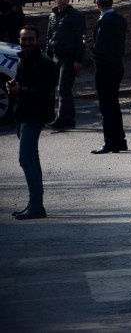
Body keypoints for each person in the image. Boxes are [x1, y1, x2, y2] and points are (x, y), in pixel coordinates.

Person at [7, 25, 58, 220]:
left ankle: (36, 205)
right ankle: (34, 203)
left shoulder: (44, 63)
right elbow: (23, 85)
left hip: (34, 115)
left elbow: (44, 93)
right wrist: (13, 87)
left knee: (26, 159)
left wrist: (21, 90)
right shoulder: (23, 60)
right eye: (23, 39)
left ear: (37, 40)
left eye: (30, 39)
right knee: (31, 159)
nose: (26, 42)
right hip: (22, 114)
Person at [90, 0, 128, 154]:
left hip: (105, 68)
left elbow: (99, 49)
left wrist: (88, 44)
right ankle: (119, 141)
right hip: (117, 66)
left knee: (106, 107)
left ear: (97, 3)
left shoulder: (104, 22)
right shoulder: (120, 20)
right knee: (114, 105)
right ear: (111, 2)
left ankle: (110, 141)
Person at [45, 0, 86, 130]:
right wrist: (48, 58)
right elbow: (49, 38)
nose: (62, 1)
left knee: (63, 89)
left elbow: (80, 39)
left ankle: (62, 119)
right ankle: (69, 118)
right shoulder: (52, 16)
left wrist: (78, 59)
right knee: (64, 89)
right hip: (56, 57)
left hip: (69, 58)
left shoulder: (75, 16)